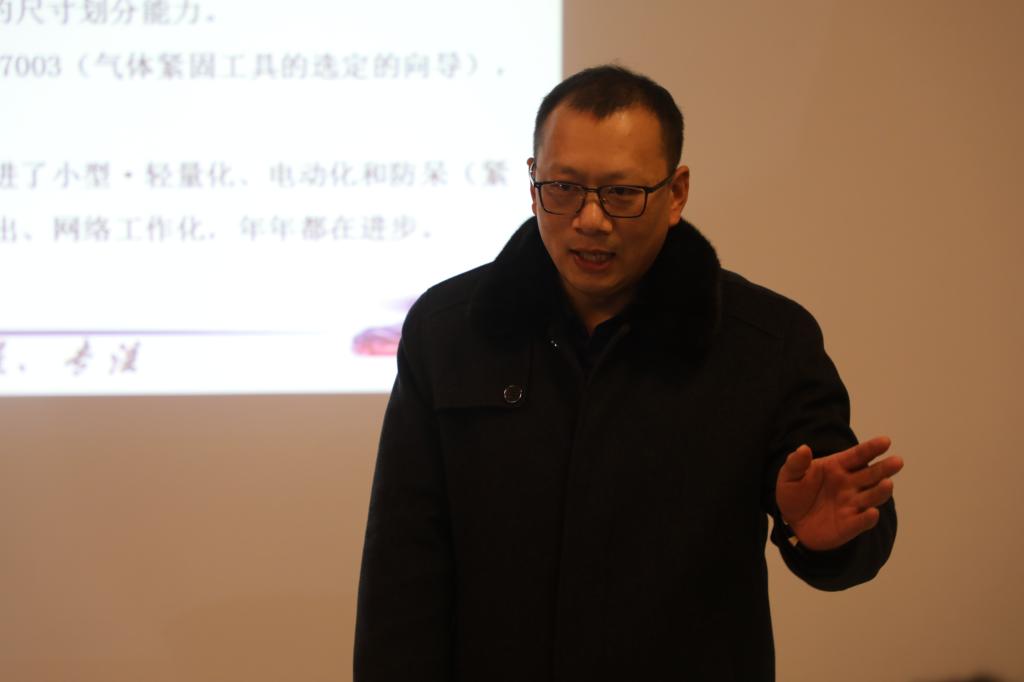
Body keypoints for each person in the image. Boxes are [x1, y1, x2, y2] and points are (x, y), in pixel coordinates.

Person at [354, 65, 903, 682]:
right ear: (533, 184)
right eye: (563, 188)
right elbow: (402, 568)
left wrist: (823, 536)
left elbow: (847, 510)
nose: (590, 220)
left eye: (621, 194)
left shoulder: (765, 342)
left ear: (676, 193)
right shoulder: (449, 330)